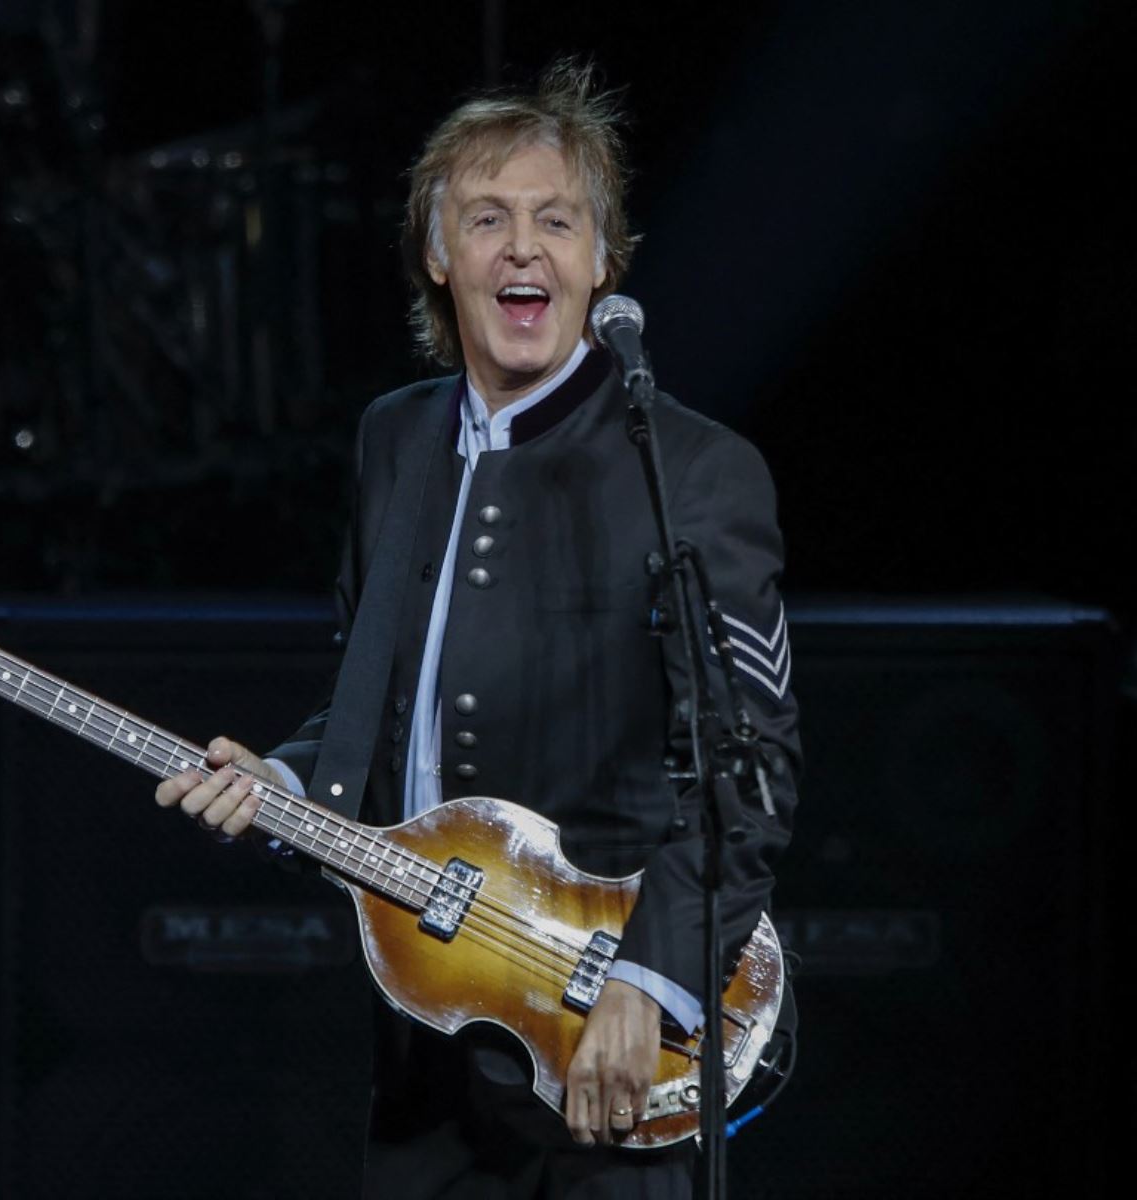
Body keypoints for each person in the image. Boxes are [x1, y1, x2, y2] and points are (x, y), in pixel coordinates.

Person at [155, 59, 801, 1199]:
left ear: (603, 263)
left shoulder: (694, 469)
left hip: (609, 1041)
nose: (522, 248)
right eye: (486, 218)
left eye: (557, 221)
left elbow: (753, 777)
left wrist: (650, 980)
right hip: (427, 1037)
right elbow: (370, 704)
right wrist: (288, 779)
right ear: (437, 256)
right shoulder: (393, 441)